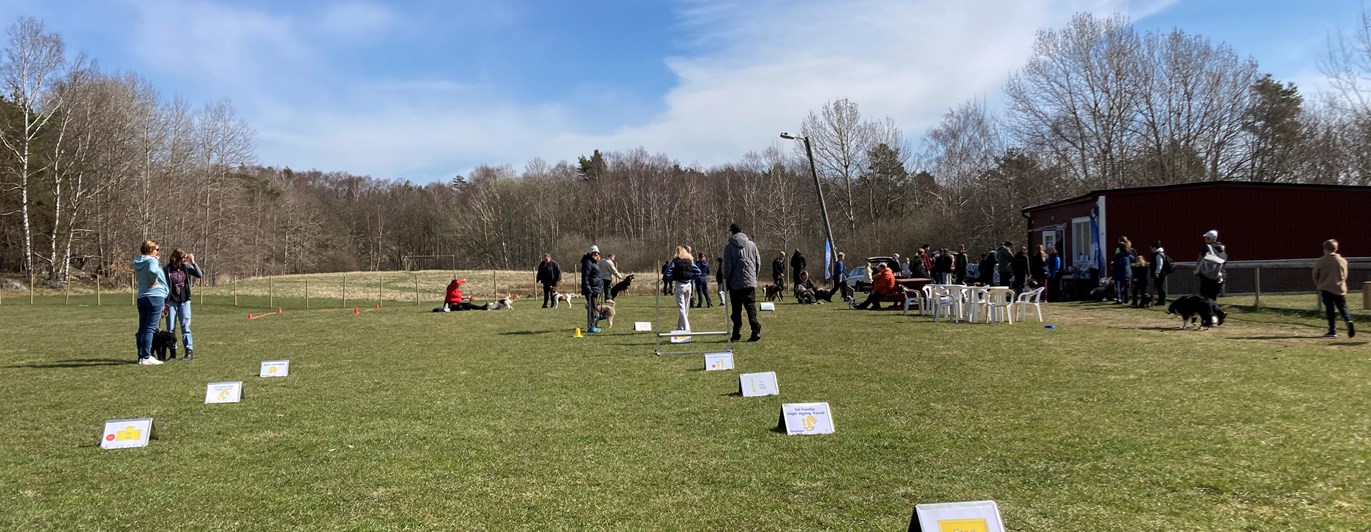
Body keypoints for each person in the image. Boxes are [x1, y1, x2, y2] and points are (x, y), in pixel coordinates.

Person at [722, 223, 762, 342]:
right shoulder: (752, 245)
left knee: (736, 310)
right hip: (749, 283)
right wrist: (754, 278)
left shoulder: (729, 247)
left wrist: (726, 282)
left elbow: (728, 267)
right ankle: (755, 330)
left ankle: (736, 333)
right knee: (751, 308)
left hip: (735, 284)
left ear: (732, 232)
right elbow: (758, 263)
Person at [162, 248, 203, 360]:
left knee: (185, 326)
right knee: (171, 328)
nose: (185, 260)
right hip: (171, 301)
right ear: (177, 259)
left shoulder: (186, 267)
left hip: (184, 300)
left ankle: (189, 351)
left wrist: (193, 262)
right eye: (183, 258)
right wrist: (163, 303)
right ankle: (172, 352)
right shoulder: (167, 269)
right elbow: (163, 285)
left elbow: (199, 275)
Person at [133, 240, 168, 365]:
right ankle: (147, 356)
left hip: (142, 296)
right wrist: (153, 280)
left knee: (142, 327)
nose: (158, 252)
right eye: (157, 249)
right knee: (150, 328)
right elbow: (153, 271)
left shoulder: (138, 261)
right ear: (151, 249)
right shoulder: (152, 261)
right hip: (155, 295)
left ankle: (141, 355)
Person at [1313, 239, 1356, 339]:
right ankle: (1348, 320)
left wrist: (1318, 284)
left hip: (1326, 288)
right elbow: (1345, 275)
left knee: (1330, 309)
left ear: (1325, 249)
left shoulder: (1321, 261)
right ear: (1336, 248)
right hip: (1339, 288)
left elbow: (1315, 275)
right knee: (1343, 307)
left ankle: (1332, 330)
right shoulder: (1343, 260)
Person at [663, 246, 701, 331]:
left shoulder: (675, 261)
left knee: (681, 308)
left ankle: (686, 329)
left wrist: (673, 278)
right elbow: (698, 272)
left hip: (680, 285)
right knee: (686, 308)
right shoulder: (690, 261)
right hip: (688, 285)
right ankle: (680, 327)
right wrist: (691, 277)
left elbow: (667, 273)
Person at [1196, 230, 1227, 303]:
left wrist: (1197, 271)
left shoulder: (1206, 248)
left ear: (1209, 238)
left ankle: (1208, 313)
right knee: (1213, 298)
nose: (1205, 239)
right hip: (1221, 276)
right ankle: (1215, 312)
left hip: (1208, 276)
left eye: (1206, 238)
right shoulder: (1222, 249)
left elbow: (1200, 261)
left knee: (1204, 298)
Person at [582, 245, 604, 333]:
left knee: (594, 307)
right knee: (591, 307)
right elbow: (585, 276)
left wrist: (600, 285)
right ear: (591, 253)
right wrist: (588, 287)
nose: (597, 254)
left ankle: (593, 325)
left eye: (597, 253)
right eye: (595, 253)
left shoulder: (594, 262)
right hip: (590, 289)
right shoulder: (588, 262)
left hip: (595, 288)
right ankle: (590, 327)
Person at [1150, 241, 1170, 305]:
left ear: (1155, 247)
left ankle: (1162, 301)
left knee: (1160, 287)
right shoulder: (1160, 253)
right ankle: (1160, 300)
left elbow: (1160, 264)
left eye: (1152, 247)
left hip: (1160, 274)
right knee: (1159, 287)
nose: (1151, 249)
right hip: (1160, 273)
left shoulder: (1158, 255)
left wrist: (1157, 272)